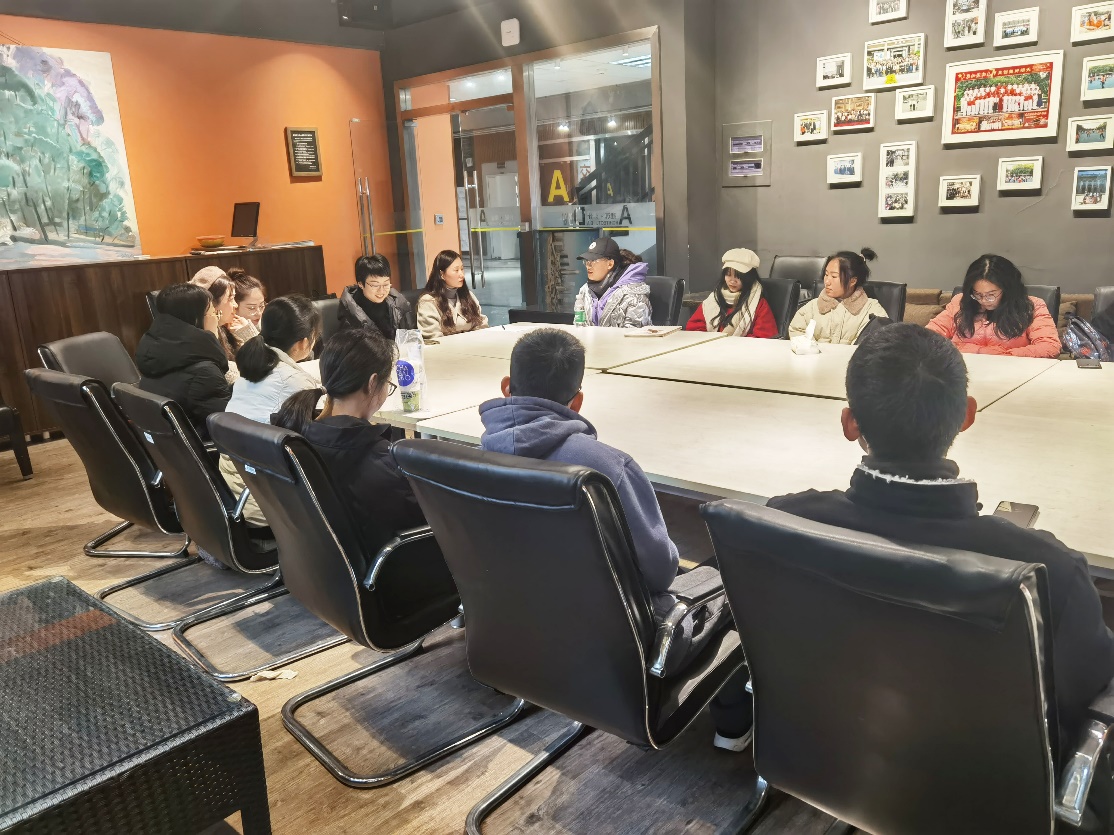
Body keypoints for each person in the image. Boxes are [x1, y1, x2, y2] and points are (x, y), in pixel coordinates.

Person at [766, 323, 1114, 769]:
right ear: (967, 415)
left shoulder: (785, 519)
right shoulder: (1051, 570)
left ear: (850, 424)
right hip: (983, 782)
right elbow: (1087, 691)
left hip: (827, 754)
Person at [478, 328, 752, 751]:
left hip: (519, 628)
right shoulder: (605, 467)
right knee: (735, 570)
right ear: (577, 400)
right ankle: (733, 725)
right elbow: (660, 572)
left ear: (506, 388)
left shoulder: (475, 458)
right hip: (617, 648)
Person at [273, 328, 425, 554]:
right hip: (385, 567)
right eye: (388, 383)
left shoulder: (296, 436)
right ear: (373, 383)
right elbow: (421, 522)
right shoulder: (378, 459)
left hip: (320, 563)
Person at [219, 294, 322, 526]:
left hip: (236, 492)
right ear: (303, 342)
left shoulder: (252, 367)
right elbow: (322, 438)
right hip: (267, 503)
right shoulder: (294, 381)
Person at [135, 283, 231, 438]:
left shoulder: (154, 350)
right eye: (214, 314)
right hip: (204, 447)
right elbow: (231, 427)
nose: (216, 319)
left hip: (169, 446)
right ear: (197, 319)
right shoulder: (204, 372)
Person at [926, 254, 1061, 358]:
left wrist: (1004, 355)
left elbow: (1050, 347)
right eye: (977, 294)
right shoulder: (960, 302)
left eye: (991, 295)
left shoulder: (1032, 306)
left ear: (1008, 289)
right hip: (962, 371)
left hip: (1013, 371)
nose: (984, 301)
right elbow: (927, 337)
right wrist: (981, 351)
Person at [788, 248, 887, 344]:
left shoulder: (872, 310)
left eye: (834, 276)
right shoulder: (812, 307)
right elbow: (796, 330)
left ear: (852, 281)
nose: (827, 281)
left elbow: (876, 341)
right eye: (826, 274)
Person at [685, 248, 779, 338]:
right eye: (728, 275)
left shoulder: (758, 304)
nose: (732, 281)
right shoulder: (714, 299)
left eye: (738, 276)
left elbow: (764, 338)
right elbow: (694, 329)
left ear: (748, 277)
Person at [573, 237, 652, 328]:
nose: (588, 266)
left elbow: (634, 334)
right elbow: (579, 326)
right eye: (586, 261)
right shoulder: (584, 291)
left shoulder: (634, 294)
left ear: (610, 264)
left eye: (593, 261)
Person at [338, 253, 416, 340]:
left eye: (386, 284)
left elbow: (410, 336)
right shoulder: (350, 311)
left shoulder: (397, 301)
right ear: (360, 284)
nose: (381, 291)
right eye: (375, 285)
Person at [416, 250, 488, 340]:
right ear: (442, 274)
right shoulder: (428, 302)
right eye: (456, 270)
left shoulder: (467, 295)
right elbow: (433, 338)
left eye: (462, 269)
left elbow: (481, 324)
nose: (462, 275)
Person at [191, 268, 258, 361]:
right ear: (211, 305)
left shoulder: (227, 332)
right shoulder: (197, 343)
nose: (235, 305)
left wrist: (247, 333)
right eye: (231, 299)